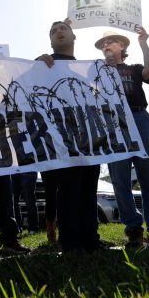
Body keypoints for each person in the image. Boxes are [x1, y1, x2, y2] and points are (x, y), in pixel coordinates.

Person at [96, 28, 149, 247]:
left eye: (112, 41)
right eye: (103, 43)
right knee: (120, 178)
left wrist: (143, 42)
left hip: (139, 117)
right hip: (113, 123)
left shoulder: (133, 69)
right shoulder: (95, 71)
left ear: (122, 47)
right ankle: (133, 228)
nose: (107, 44)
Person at [36, 20, 102, 254]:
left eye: (63, 28)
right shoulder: (44, 64)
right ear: (50, 41)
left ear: (74, 37)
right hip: (62, 139)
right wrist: (36, 66)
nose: (58, 32)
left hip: (89, 137)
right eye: (53, 31)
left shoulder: (90, 68)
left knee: (88, 189)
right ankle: (71, 242)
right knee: (68, 188)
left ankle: (91, 239)